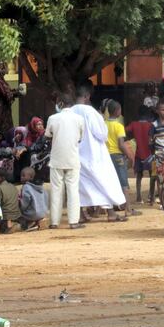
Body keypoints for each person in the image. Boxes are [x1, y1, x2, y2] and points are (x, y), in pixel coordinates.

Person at [72, 82, 128, 222]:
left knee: (80, 185)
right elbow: (102, 134)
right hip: (94, 154)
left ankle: (80, 214)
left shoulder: (70, 111)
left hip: (76, 153)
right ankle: (111, 213)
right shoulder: (91, 112)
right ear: (87, 96)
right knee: (105, 181)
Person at [44, 91, 86, 229]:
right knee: (73, 190)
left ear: (60, 103)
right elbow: (80, 138)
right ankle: (73, 222)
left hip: (56, 159)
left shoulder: (52, 118)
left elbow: (48, 135)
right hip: (73, 159)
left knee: (56, 190)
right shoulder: (79, 119)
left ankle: (54, 222)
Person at [105, 100, 137, 216]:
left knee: (109, 181)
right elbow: (121, 144)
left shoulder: (104, 124)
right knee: (124, 182)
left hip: (106, 156)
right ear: (117, 111)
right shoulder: (118, 126)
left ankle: (107, 209)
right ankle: (128, 208)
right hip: (117, 156)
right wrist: (130, 156)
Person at [126, 105, 153, 204]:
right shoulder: (151, 125)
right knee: (152, 176)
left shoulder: (134, 124)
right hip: (150, 154)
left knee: (139, 176)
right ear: (147, 114)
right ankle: (151, 196)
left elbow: (125, 131)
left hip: (138, 154)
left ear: (138, 114)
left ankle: (138, 197)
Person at [0, 63, 22, 134]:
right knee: (3, 131)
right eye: (1, 69)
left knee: (5, 130)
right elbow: (6, 94)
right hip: (0, 112)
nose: (4, 71)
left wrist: (16, 91)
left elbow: (8, 92)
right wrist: (17, 92)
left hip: (2, 110)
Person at [0, 167, 21, 233]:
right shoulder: (13, 186)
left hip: (6, 216)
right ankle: (15, 224)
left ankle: (9, 226)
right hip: (17, 215)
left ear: (3, 178)